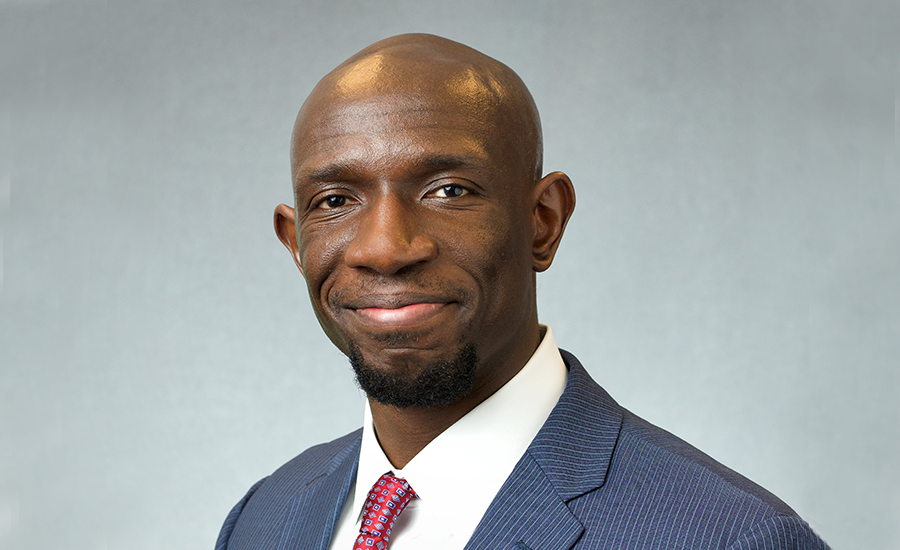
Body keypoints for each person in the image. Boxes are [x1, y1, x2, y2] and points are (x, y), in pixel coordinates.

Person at [216, 34, 829, 550]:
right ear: (295, 243)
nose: (385, 248)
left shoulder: (730, 537)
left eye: (448, 190)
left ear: (543, 220)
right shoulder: (264, 521)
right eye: (336, 201)